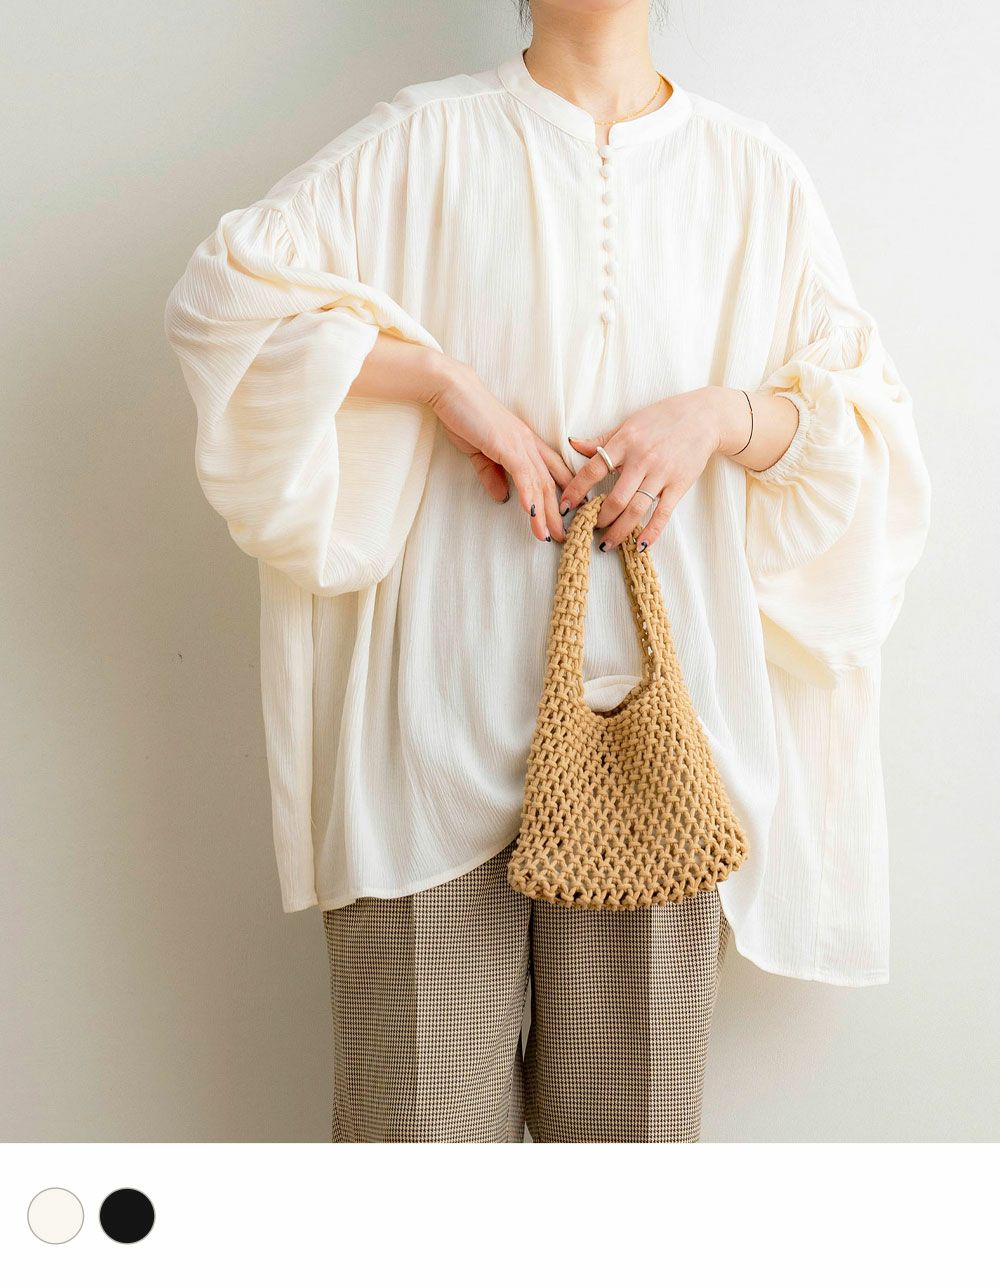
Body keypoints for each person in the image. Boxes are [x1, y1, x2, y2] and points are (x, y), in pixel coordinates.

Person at [163, 1, 932, 1143]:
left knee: (624, 1196)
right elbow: (220, 308)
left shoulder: (752, 176)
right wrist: (440, 382)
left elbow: (866, 439)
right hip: (424, 749)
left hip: (664, 761)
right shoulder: (418, 142)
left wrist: (723, 417)